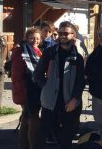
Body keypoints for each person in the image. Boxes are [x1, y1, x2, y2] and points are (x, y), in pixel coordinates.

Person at [33, 21, 85, 149]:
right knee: (42, 135)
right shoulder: (50, 53)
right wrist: (46, 87)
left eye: (66, 33)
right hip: (50, 101)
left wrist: (75, 99)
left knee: (66, 138)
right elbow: (37, 74)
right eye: (60, 33)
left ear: (73, 35)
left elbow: (81, 81)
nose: (62, 36)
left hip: (69, 102)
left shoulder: (77, 56)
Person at [11, 27, 42, 149]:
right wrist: (24, 92)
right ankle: (32, 145)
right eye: (32, 38)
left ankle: (23, 145)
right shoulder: (21, 51)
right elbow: (16, 75)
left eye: (38, 38)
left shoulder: (37, 50)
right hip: (26, 91)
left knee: (26, 116)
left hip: (35, 89)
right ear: (26, 38)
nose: (35, 40)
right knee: (33, 118)